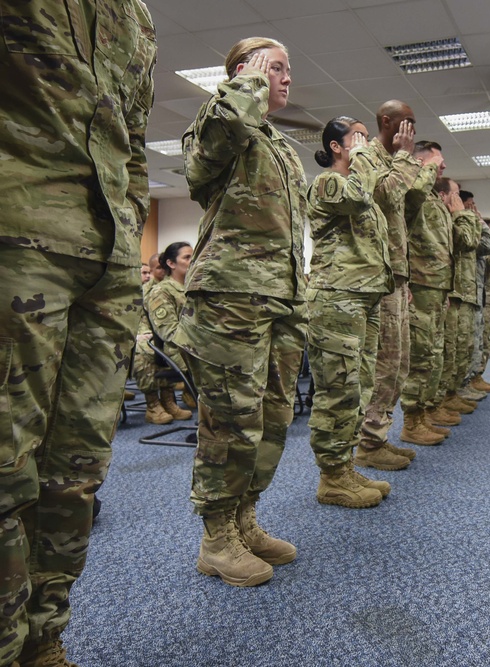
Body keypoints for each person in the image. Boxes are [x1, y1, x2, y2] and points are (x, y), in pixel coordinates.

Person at [0, 2, 156, 665]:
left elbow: (135, 139)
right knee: (6, 469)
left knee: (76, 472)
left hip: (109, 259)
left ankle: (43, 637)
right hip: (16, 232)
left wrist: (129, 216)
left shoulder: (137, 16)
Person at [177, 37, 307, 587]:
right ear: (244, 71)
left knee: (273, 419)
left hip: (279, 296)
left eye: (285, 70)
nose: (286, 78)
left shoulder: (281, 145)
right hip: (231, 295)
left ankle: (244, 519)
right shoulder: (220, 117)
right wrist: (246, 84)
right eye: (276, 68)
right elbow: (201, 165)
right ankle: (216, 538)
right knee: (231, 420)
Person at [305, 117, 396, 506]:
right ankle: (331, 476)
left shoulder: (362, 183)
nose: (364, 143)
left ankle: (344, 465)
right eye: (355, 137)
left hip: (365, 295)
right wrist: (364, 156)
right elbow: (356, 198)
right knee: (337, 390)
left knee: (360, 387)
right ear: (336, 147)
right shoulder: (328, 182)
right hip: (336, 296)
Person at [359, 101, 423, 462]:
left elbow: (401, 223)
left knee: (400, 363)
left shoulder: (392, 160)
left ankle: (379, 434)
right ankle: (368, 444)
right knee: (384, 363)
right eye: (406, 122)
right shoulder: (366, 157)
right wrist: (404, 157)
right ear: (386, 121)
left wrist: (406, 277)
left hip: (395, 276)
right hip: (377, 278)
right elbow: (383, 196)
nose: (411, 130)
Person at [396, 141, 459, 446]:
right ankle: (411, 421)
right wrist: (424, 166)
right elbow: (409, 202)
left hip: (435, 286)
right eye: (437, 161)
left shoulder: (434, 198)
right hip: (419, 285)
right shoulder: (413, 190)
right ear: (421, 163)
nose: (442, 166)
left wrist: (446, 287)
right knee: (420, 355)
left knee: (432, 354)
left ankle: (423, 414)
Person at [436, 178, 483, 416]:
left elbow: (481, 246)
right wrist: (463, 216)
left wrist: (471, 218)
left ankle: (451, 394)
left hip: (459, 291)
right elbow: (466, 240)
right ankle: (438, 403)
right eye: (455, 195)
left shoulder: (452, 218)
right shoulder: (441, 216)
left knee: (459, 349)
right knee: (443, 352)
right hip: (448, 292)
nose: (459, 202)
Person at [146, 242, 195, 421]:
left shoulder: (192, 289)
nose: (193, 261)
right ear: (171, 263)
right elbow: (170, 333)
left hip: (197, 347)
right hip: (180, 350)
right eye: (187, 257)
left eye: (193, 256)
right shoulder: (161, 291)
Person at [134, 251, 174, 424]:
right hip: (147, 335)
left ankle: (169, 400)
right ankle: (153, 405)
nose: (162, 270)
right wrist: (143, 334)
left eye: (164, 266)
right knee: (145, 350)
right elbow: (140, 318)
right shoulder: (142, 291)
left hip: (167, 334)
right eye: (158, 267)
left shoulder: (174, 286)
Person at [471, 218, 490, 393]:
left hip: (488, 296)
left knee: (485, 340)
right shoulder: (485, 243)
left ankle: (477, 376)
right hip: (482, 297)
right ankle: (474, 377)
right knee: (480, 340)